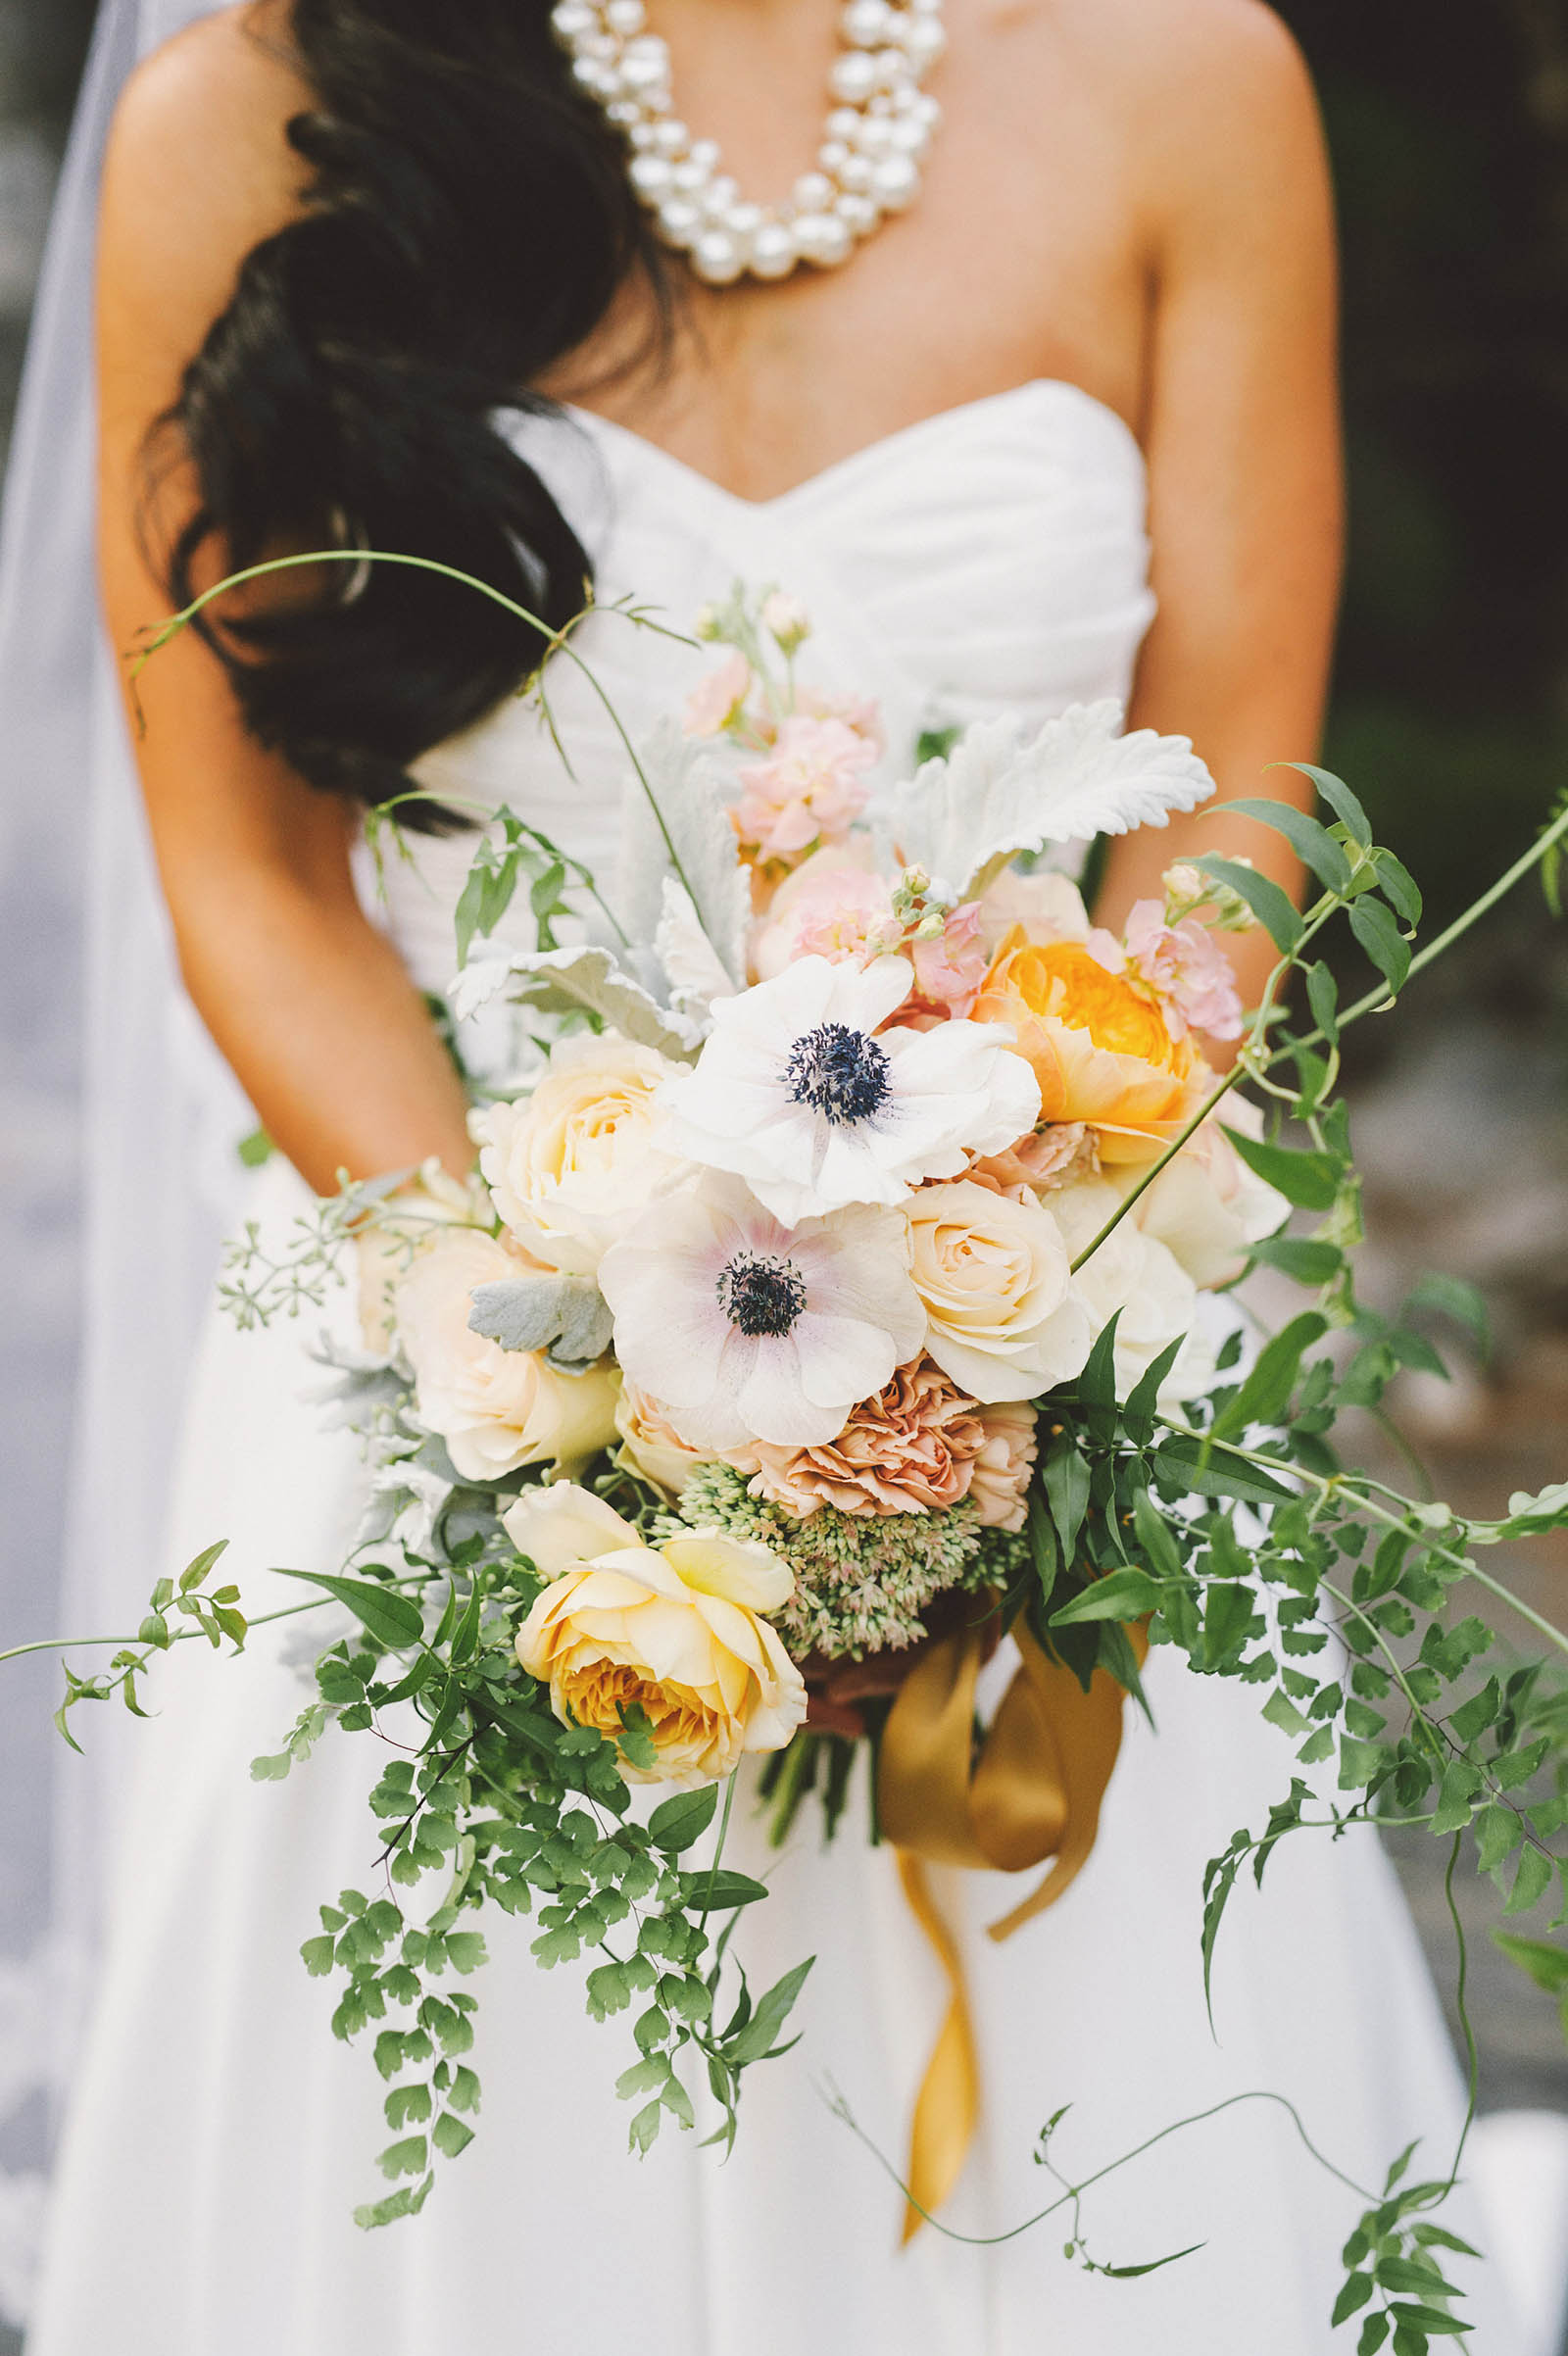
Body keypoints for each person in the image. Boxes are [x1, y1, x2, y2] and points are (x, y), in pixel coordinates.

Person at [13, 0, 1522, 2347]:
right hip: (448, 1385)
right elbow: (244, 868)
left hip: (1044, 1342)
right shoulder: (260, 117)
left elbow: (1234, 797)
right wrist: (537, 1346)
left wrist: (1028, 1306)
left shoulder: (1181, 78)